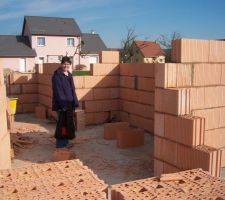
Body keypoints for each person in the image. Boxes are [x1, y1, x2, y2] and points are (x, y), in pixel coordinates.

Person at [52, 56, 79, 148]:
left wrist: (74, 102)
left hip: (69, 104)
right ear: (61, 64)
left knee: (68, 123)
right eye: (64, 63)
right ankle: (60, 144)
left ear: (70, 65)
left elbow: (72, 90)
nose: (66, 65)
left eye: (68, 64)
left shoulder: (69, 75)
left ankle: (66, 142)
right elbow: (58, 91)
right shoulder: (57, 75)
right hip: (62, 105)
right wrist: (64, 105)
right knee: (62, 124)